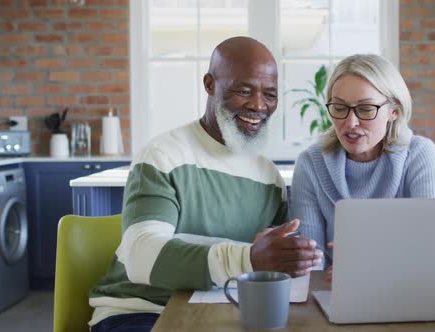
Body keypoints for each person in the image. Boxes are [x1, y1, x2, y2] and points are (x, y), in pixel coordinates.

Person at [89, 36, 323, 332]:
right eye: (244, 90)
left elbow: (263, 265)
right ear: (210, 84)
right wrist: (248, 257)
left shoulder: (269, 177)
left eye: (271, 94)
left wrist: (286, 256)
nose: (258, 105)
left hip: (223, 309)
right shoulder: (164, 155)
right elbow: (140, 255)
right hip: (143, 310)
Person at [290, 54, 435, 265]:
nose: (351, 122)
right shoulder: (310, 163)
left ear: (394, 111)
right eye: (339, 107)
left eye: (365, 109)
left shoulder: (419, 154)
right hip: (334, 291)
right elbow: (310, 265)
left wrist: (372, 262)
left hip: (407, 291)